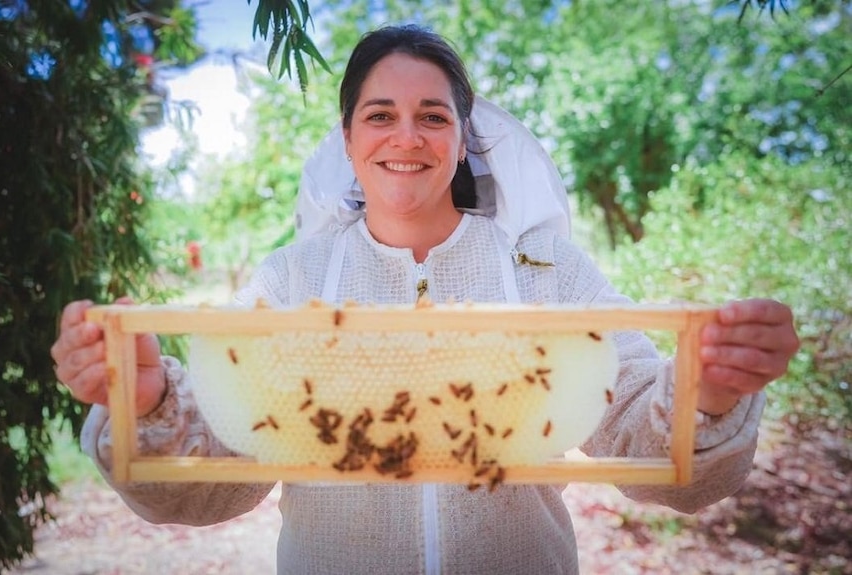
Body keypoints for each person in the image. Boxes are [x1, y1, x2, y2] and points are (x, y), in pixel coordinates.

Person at [50, 25, 799, 574]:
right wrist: (144, 401)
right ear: (347, 139)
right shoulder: (288, 281)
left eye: (432, 115)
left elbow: (653, 443)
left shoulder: (546, 270)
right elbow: (221, 472)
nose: (405, 136)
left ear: (461, 137)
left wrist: (711, 389)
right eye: (380, 114)